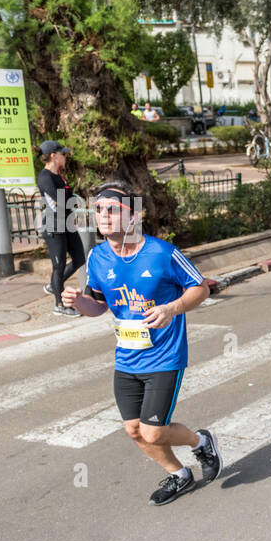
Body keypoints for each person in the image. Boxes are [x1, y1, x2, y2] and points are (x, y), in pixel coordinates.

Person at [60, 180, 223, 506]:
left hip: (165, 356)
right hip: (127, 358)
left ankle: (200, 441)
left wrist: (172, 308)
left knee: (152, 431)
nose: (103, 215)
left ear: (133, 217)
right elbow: (98, 306)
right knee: (134, 430)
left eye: (112, 209)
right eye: (99, 210)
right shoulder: (97, 257)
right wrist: (78, 303)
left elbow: (201, 288)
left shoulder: (163, 253)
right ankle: (179, 474)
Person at [36, 140, 85, 317]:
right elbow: (60, 200)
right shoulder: (45, 177)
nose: (65, 157)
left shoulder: (60, 176)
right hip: (54, 225)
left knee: (80, 258)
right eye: (63, 154)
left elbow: (67, 198)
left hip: (67, 222)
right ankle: (59, 304)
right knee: (59, 265)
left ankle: (53, 285)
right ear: (53, 156)